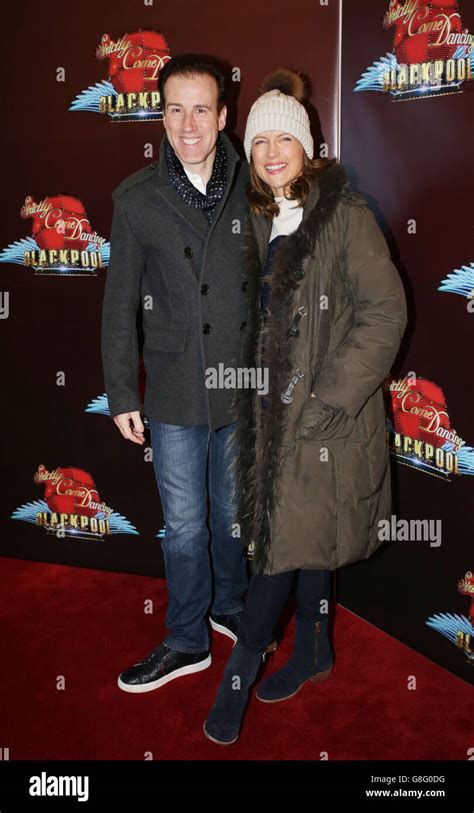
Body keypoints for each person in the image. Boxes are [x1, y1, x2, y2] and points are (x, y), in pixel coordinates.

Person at [203, 69, 408, 744]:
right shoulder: (263, 221)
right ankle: (316, 647)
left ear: (306, 144)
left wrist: (330, 398)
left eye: (280, 138)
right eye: (257, 139)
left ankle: (239, 672)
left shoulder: (343, 216)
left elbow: (385, 313)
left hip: (323, 419)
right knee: (307, 535)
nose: (268, 150)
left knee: (277, 548)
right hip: (271, 418)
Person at [101, 54, 251, 693]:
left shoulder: (258, 184)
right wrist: (119, 392)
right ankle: (187, 637)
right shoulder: (137, 199)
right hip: (172, 388)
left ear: (222, 115)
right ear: (160, 115)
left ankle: (232, 606)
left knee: (233, 511)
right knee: (186, 523)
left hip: (243, 387)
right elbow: (118, 302)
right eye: (173, 109)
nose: (187, 124)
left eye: (200, 109)